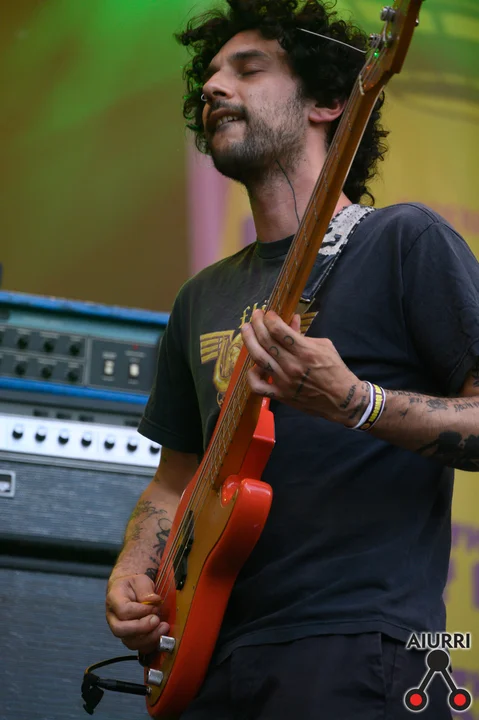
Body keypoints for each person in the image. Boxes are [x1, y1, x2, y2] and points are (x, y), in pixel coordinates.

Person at [105, 1, 479, 718]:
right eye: (211, 76)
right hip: (207, 657)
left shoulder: (403, 242)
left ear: (330, 101)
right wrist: (133, 569)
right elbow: (173, 481)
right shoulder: (201, 297)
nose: (214, 87)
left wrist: (357, 401)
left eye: (247, 70)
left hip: (359, 644)